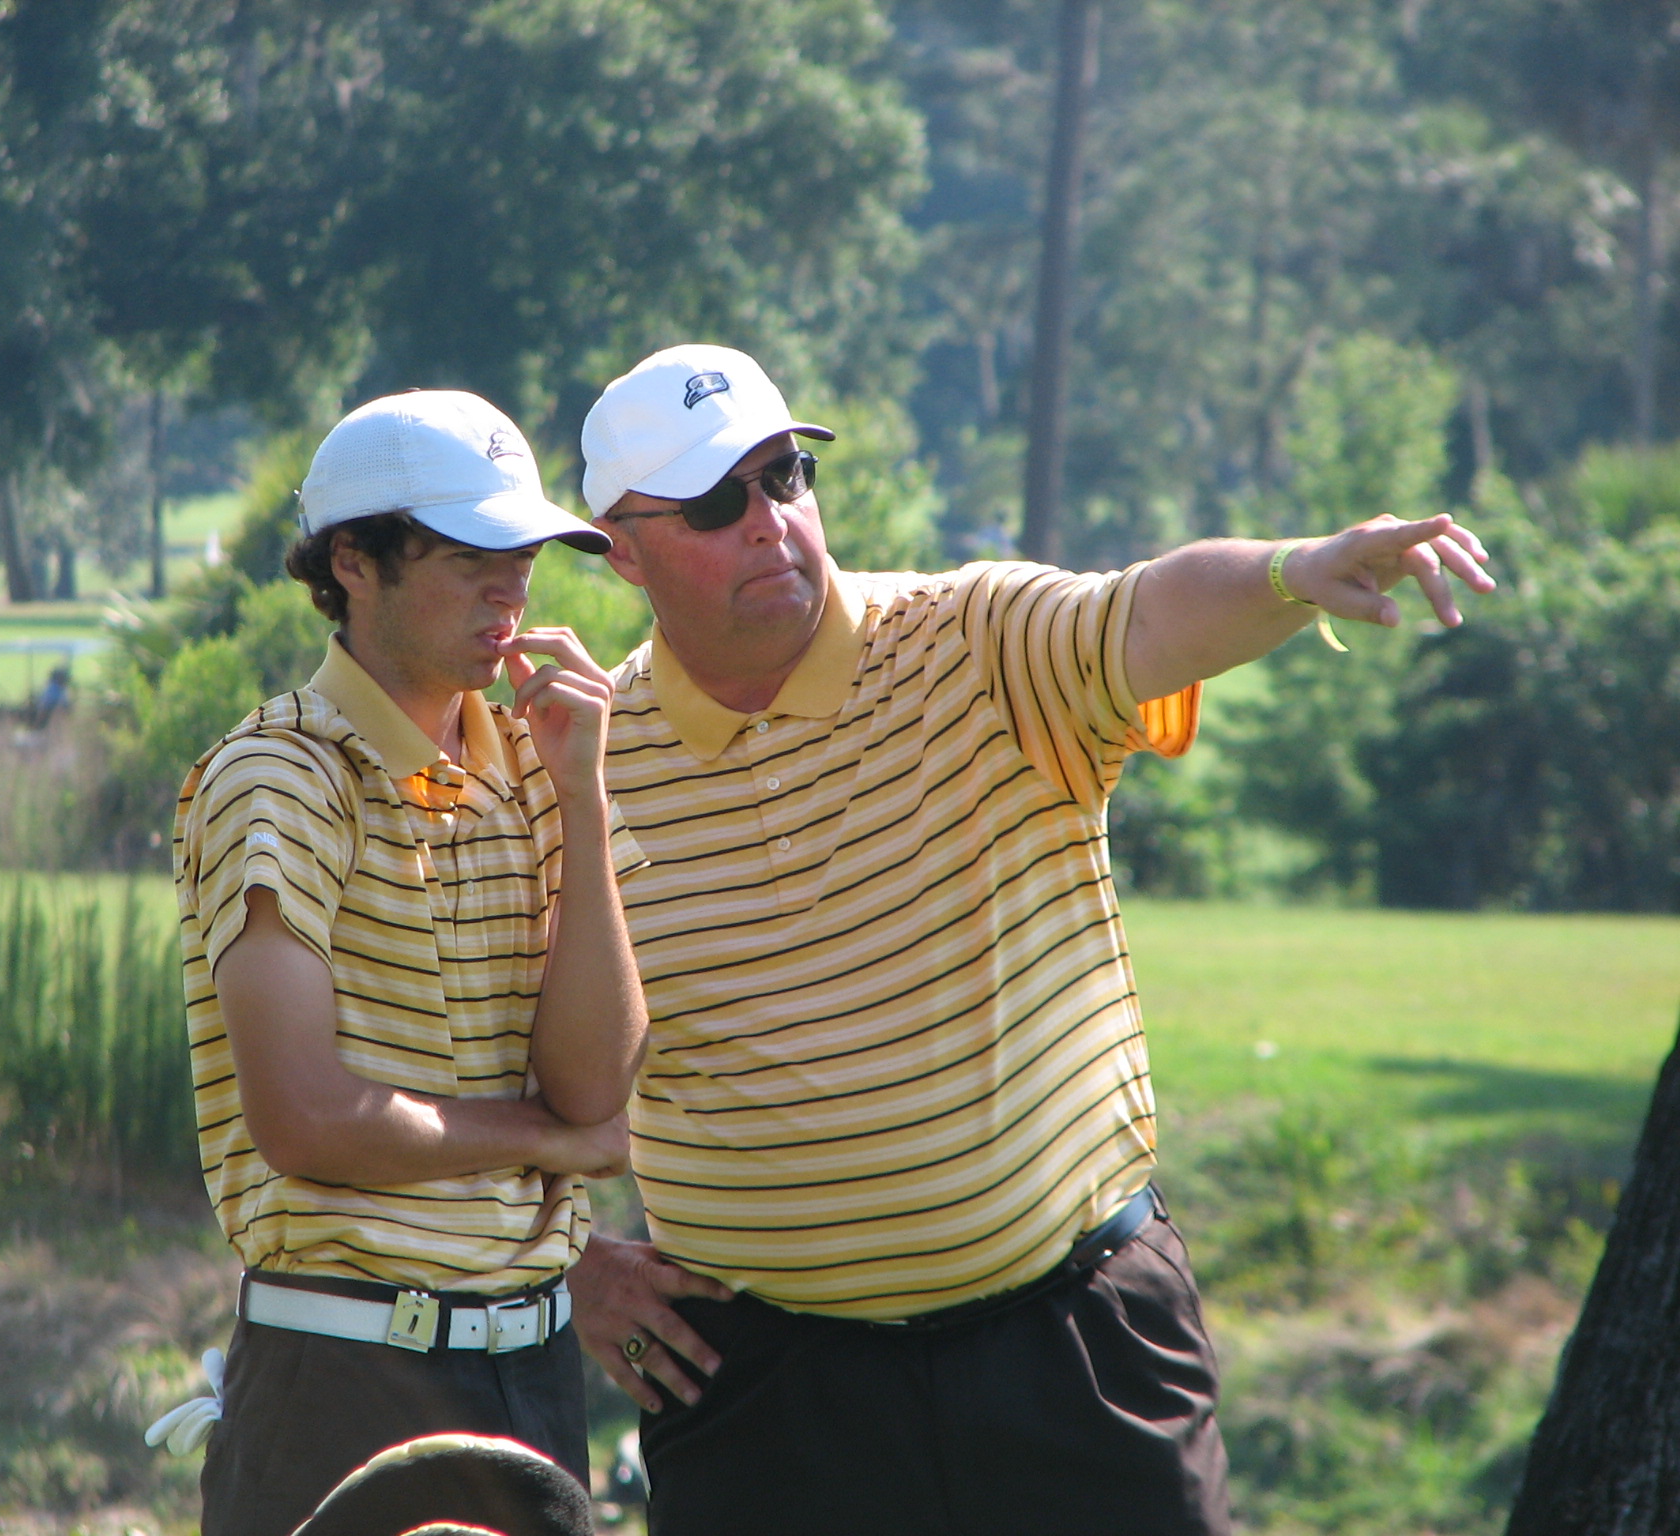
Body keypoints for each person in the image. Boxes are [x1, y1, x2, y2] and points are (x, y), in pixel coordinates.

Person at [563, 344, 1495, 1536]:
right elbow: (467, 1056)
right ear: (621, 550)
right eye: (711, 502)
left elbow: (1147, 611)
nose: (767, 520)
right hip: (770, 1393)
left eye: (784, 476)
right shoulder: (578, 767)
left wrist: (1292, 572)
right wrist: (571, 1263)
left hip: (1073, 1348)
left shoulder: (976, 638)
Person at [169, 390, 649, 1536]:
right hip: (342, 1377)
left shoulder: (537, 763)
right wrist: (542, 1139)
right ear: (353, 562)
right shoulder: (278, 777)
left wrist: (582, 796)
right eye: (471, 556)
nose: (510, 589)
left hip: (533, 1376)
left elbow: (594, 1090)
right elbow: (305, 1120)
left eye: (521, 555)